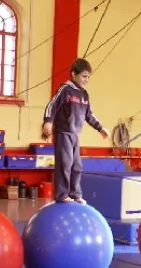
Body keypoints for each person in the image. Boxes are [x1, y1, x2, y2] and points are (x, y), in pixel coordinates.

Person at [42, 58, 110, 204]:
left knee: (77, 165)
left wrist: (100, 128)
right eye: (84, 76)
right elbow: (51, 105)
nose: (86, 80)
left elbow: (89, 114)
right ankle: (61, 194)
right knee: (65, 164)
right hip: (63, 133)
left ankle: (75, 193)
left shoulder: (84, 95)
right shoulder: (66, 90)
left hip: (75, 135)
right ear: (73, 74)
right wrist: (48, 121)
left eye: (88, 77)